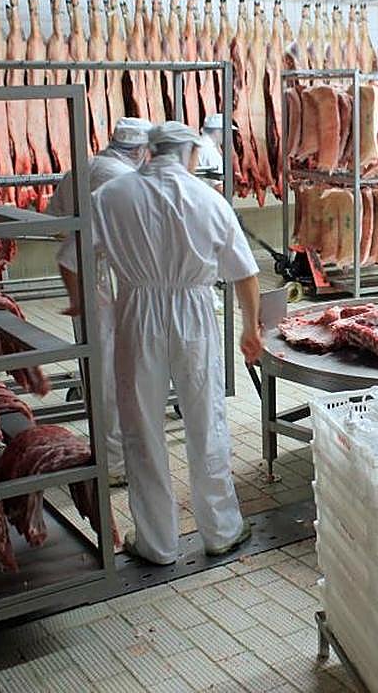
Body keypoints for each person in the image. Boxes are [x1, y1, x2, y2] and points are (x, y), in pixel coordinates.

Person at [85, 120, 264, 565]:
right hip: (195, 313)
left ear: (149, 151)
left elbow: (74, 256)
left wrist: (83, 300)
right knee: (206, 419)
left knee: (142, 425)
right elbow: (245, 274)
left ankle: (157, 542)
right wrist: (250, 328)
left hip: (135, 310)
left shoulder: (110, 196)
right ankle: (221, 530)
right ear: (190, 154)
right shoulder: (209, 198)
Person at [49, 116, 152, 486]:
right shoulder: (122, 180)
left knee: (101, 369)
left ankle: (110, 455)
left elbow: (56, 219)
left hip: (89, 276)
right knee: (114, 374)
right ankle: (114, 465)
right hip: (106, 281)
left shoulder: (87, 166)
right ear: (141, 150)